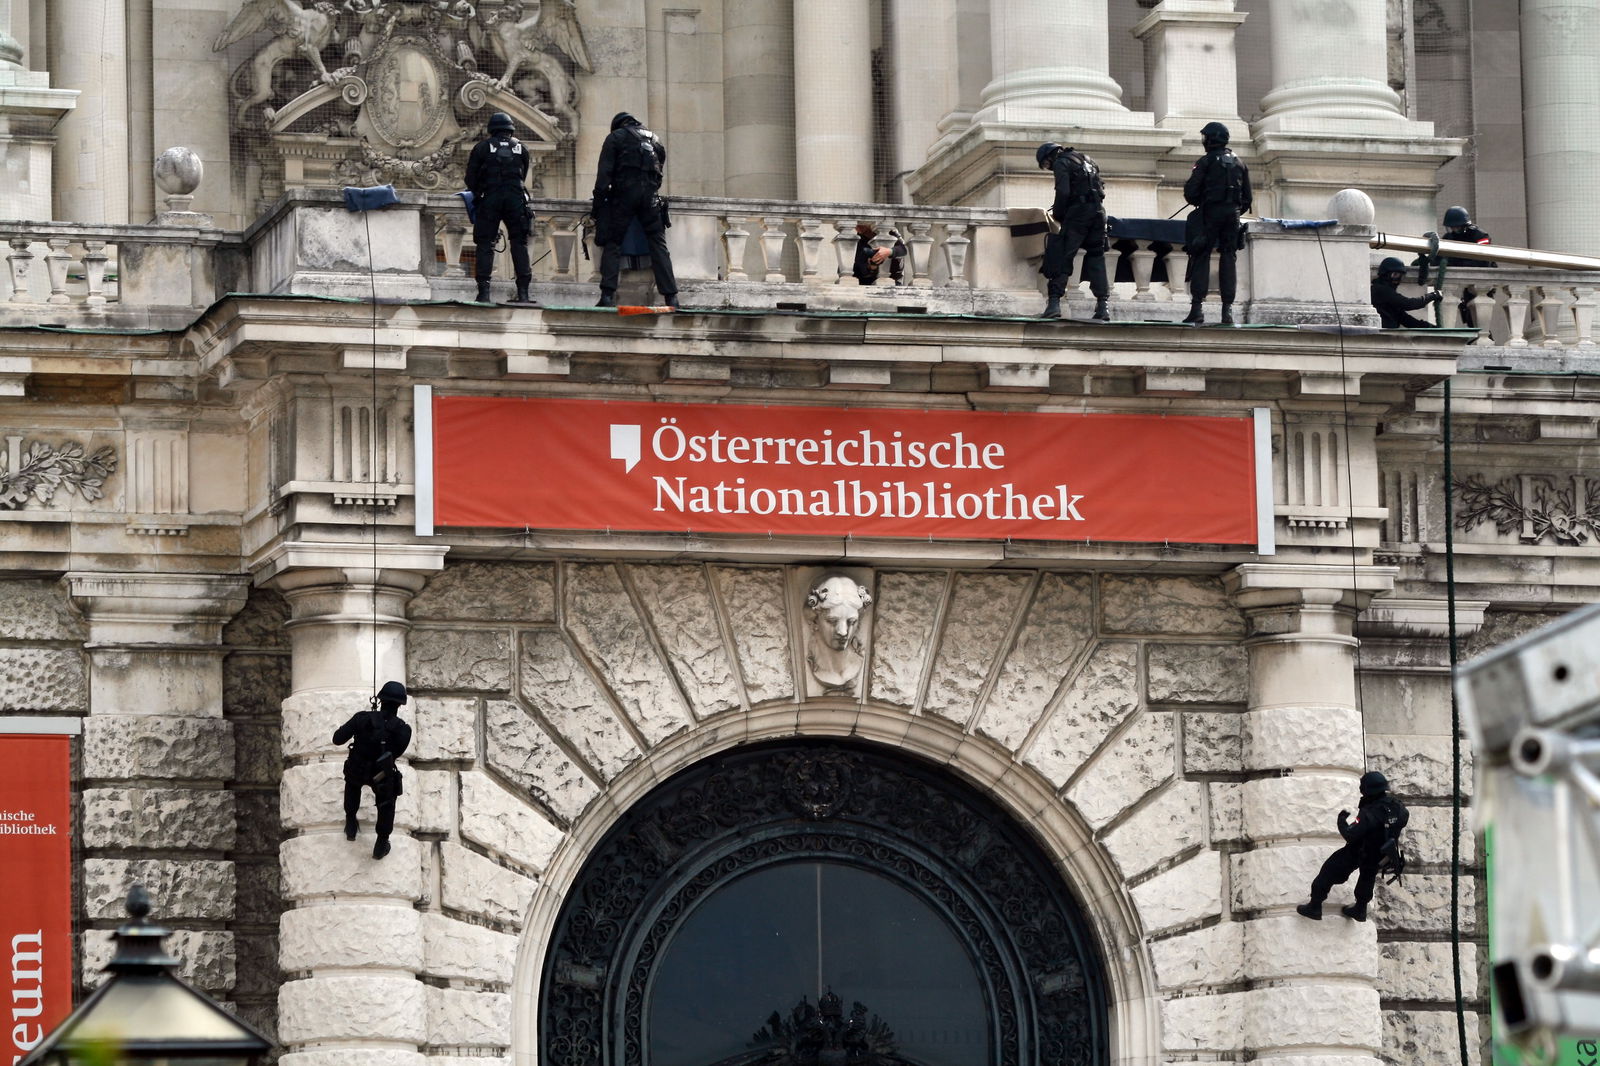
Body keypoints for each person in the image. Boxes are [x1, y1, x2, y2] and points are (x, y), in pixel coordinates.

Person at [592, 111, 678, 308]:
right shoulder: (655, 140)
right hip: (650, 198)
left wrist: (598, 204)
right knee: (658, 244)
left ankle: (607, 295)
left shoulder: (615, 138)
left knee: (613, 242)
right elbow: (659, 170)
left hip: (624, 196)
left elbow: (604, 175)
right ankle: (671, 296)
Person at [1297, 771, 1409, 922]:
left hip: (1361, 850)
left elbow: (1351, 834)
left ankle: (1314, 906)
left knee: (1329, 870)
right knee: (1367, 878)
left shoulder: (1370, 813)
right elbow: (1399, 821)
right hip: (1381, 853)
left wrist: (1341, 821)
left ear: (1367, 791)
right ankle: (1360, 910)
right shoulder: (1398, 807)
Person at [1181, 122, 1252, 326]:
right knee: (1228, 258)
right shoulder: (1240, 163)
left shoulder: (1206, 162)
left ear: (1211, 139)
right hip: (1233, 215)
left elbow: (1191, 193)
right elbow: (1247, 198)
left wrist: (1202, 201)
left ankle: (1197, 309)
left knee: (1201, 255)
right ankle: (1226, 311)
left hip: (1210, 214)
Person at [333, 680, 412, 860]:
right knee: (387, 803)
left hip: (358, 769)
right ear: (400, 704)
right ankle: (381, 841)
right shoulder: (403, 730)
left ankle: (351, 823)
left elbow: (337, 739)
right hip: (381, 774)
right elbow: (396, 753)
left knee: (353, 783)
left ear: (380, 699)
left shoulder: (361, 718)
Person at [464, 111, 533, 305]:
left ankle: (484, 293)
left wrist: (480, 192)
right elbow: (523, 173)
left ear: (491, 130)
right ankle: (523, 293)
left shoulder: (482, 148)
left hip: (490, 199)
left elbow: (470, 178)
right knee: (519, 243)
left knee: (485, 244)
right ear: (510, 130)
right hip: (516, 200)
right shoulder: (522, 148)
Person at [1036, 142, 1110, 321]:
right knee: (1096, 258)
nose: (1049, 168)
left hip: (1078, 215)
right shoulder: (1088, 160)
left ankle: (1054, 303)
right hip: (1099, 214)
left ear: (1051, 156)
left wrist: (1059, 214)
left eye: (1046, 164)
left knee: (1062, 255)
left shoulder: (1061, 162)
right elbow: (1100, 189)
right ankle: (1102, 306)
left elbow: (1063, 191)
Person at [1441, 205, 1494, 327]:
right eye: (1451, 227)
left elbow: (1484, 260)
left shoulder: (1480, 235)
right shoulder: (1449, 238)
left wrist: (1460, 262)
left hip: (1481, 278)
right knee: (1467, 311)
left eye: (1457, 227)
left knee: (1479, 315)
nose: (1454, 230)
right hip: (1463, 277)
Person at [1372, 256, 1442, 328]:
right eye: (1395, 275)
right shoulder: (1380, 290)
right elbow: (1408, 304)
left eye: (1400, 276)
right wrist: (1432, 295)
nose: (1398, 279)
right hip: (1381, 335)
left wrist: (1432, 328)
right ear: (1385, 274)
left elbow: (1406, 319)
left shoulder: (1387, 295)